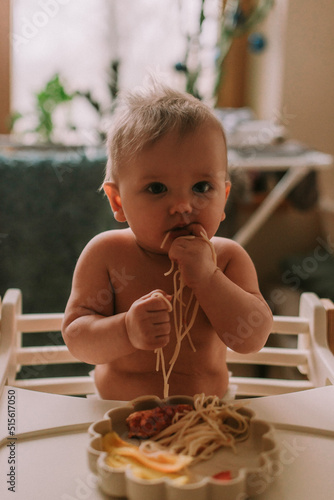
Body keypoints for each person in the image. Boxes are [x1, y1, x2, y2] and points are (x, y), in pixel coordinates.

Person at [62, 81, 273, 400]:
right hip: (117, 416)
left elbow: (251, 338)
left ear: (224, 196)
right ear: (118, 201)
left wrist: (209, 279)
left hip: (207, 416)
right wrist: (126, 330)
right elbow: (78, 338)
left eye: (202, 187)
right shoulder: (106, 255)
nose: (184, 206)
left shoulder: (228, 258)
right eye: (157, 188)